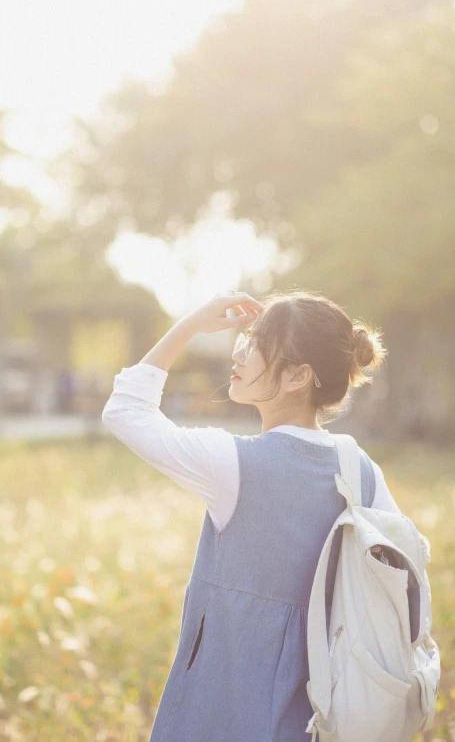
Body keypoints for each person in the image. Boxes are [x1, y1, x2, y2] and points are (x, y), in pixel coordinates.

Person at [101, 289, 402, 742]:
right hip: (319, 711)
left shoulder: (234, 463)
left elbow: (125, 410)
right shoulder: (361, 471)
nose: (240, 353)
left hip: (223, 701)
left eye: (258, 344)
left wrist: (189, 325)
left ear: (299, 376)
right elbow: (402, 576)